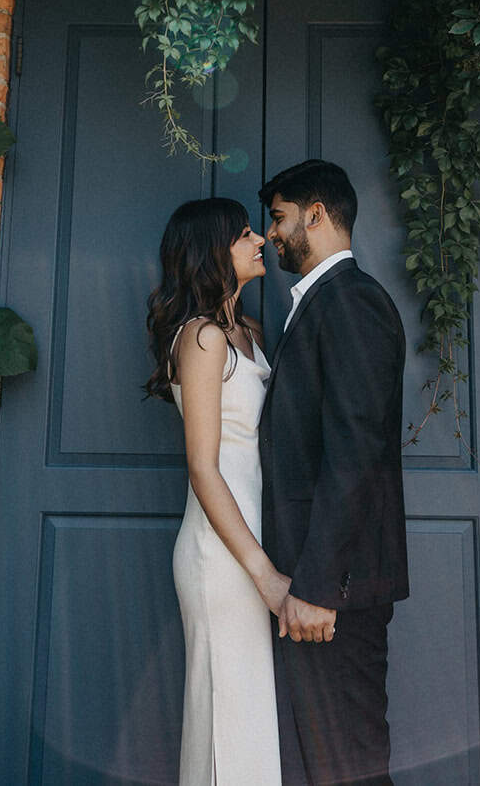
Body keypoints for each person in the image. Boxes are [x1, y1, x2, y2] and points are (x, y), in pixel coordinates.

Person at [259, 160, 409, 786]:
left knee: (348, 767)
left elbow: (355, 453)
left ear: (315, 214)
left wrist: (320, 586)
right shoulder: (323, 302)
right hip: (318, 584)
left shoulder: (351, 302)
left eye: (278, 217)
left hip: (333, 593)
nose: (270, 235)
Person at [146, 197, 291, 786]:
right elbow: (204, 468)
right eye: (245, 233)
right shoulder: (201, 338)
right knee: (226, 719)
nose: (260, 240)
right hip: (223, 555)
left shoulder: (248, 332)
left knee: (250, 719)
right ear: (214, 251)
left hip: (255, 538)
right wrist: (264, 573)